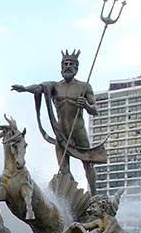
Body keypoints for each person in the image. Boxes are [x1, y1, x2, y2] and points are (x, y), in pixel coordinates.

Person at [12, 49, 106, 194]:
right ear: (61, 67)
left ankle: (95, 196)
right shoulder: (54, 86)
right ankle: (72, 196)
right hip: (61, 132)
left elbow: (95, 110)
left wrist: (86, 105)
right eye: (65, 64)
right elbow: (39, 88)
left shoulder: (84, 87)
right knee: (63, 169)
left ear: (76, 68)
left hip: (78, 131)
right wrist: (25, 89)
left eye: (71, 64)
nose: (67, 66)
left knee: (88, 164)